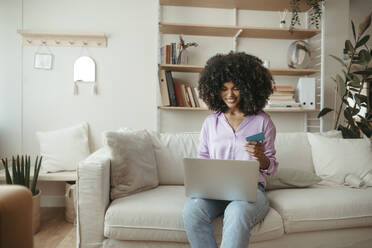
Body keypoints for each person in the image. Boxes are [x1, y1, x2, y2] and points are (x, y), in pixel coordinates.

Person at [183, 52, 279, 248]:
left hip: (252, 191)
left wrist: (261, 157)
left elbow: (271, 167)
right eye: (224, 89)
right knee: (192, 211)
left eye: (236, 88)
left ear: (249, 89)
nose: (230, 94)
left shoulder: (263, 121)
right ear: (214, 90)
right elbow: (202, 158)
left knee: (236, 212)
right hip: (215, 192)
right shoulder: (211, 122)